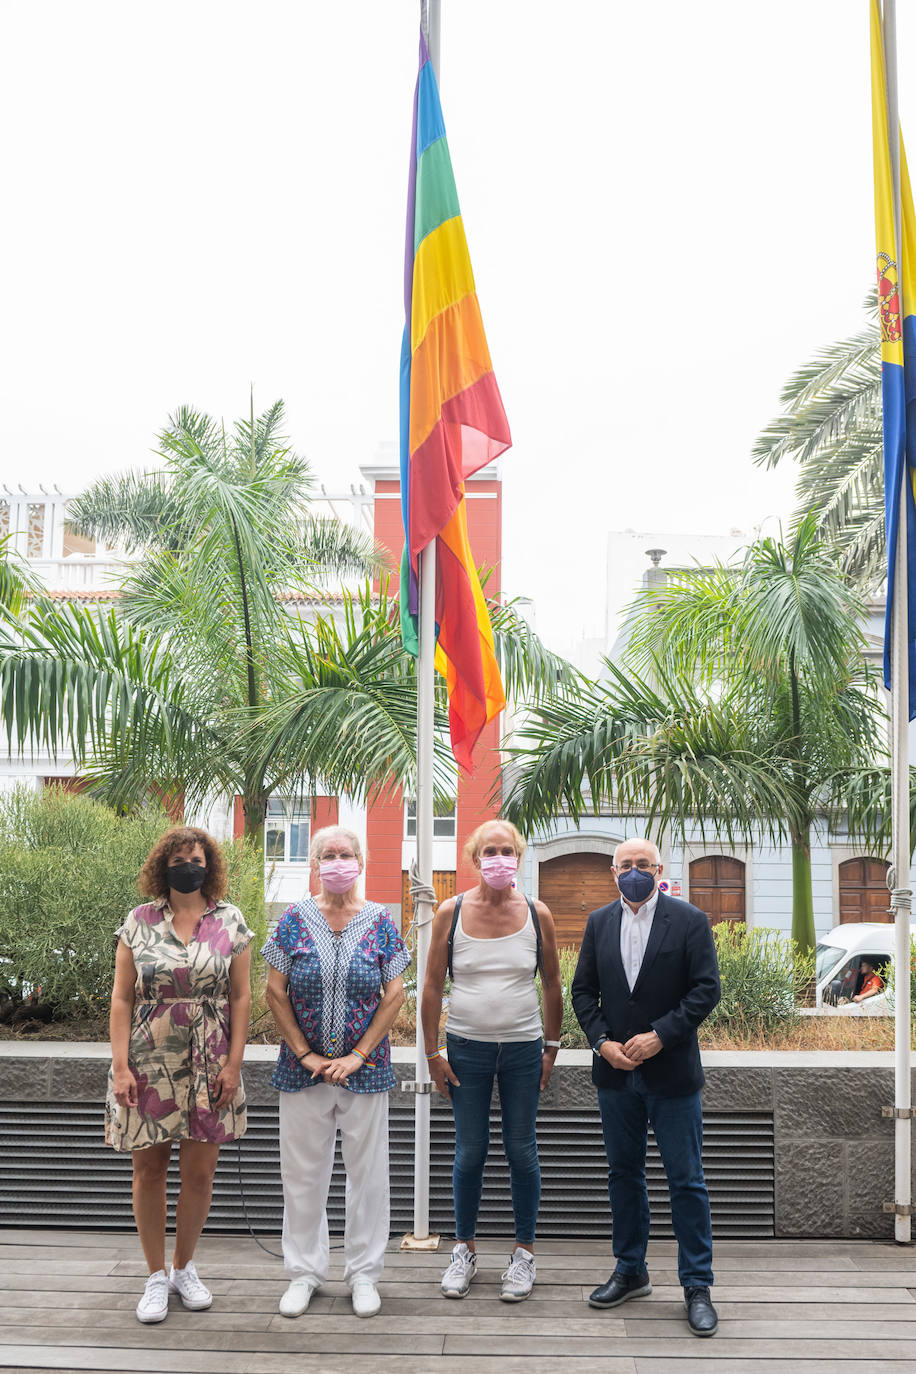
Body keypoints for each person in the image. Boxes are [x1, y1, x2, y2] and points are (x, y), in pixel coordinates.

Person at [571, 837, 720, 1337]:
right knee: (623, 1176)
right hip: (615, 1075)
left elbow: (706, 989)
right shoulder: (598, 922)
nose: (634, 872)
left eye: (643, 864)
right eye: (625, 865)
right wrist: (601, 1043)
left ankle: (697, 1285)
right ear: (613, 872)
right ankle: (630, 1270)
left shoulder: (690, 920)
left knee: (687, 1181)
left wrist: (661, 1035)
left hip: (672, 1073)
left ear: (659, 870)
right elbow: (583, 991)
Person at [107, 825, 253, 1325]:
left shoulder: (230, 920)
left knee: (200, 1173)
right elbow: (121, 998)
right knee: (149, 1170)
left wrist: (234, 1064)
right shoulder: (139, 921)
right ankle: (154, 1276)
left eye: (196, 859)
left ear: (209, 866)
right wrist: (120, 1067)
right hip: (148, 1059)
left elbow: (241, 998)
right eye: (178, 860)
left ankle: (183, 1268)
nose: (188, 867)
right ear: (162, 867)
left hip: (212, 1059)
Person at [262, 825, 409, 1320]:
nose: (337, 862)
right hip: (301, 1070)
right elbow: (274, 991)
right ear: (315, 864)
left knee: (368, 1176)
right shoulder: (293, 920)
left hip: (365, 1069)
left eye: (346, 854)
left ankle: (364, 1273)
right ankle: (304, 1272)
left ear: (361, 863)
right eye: (328, 855)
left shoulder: (380, 921)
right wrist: (305, 1054)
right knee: (302, 1174)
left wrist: (359, 1055)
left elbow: (395, 994)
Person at [421, 819, 563, 1304]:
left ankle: (524, 1254)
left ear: (518, 857)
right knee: (470, 1151)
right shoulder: (451, 911)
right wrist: (432, 1053)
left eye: (507, 851)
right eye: (490, 851)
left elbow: (552, 985)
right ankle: (464, 1249)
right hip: (466, 1048)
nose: (499, 859)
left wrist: (551, 1048)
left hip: (523, 1049)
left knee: (522, 1150)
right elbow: (432, 987)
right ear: (474, 858)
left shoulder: (539, 913)